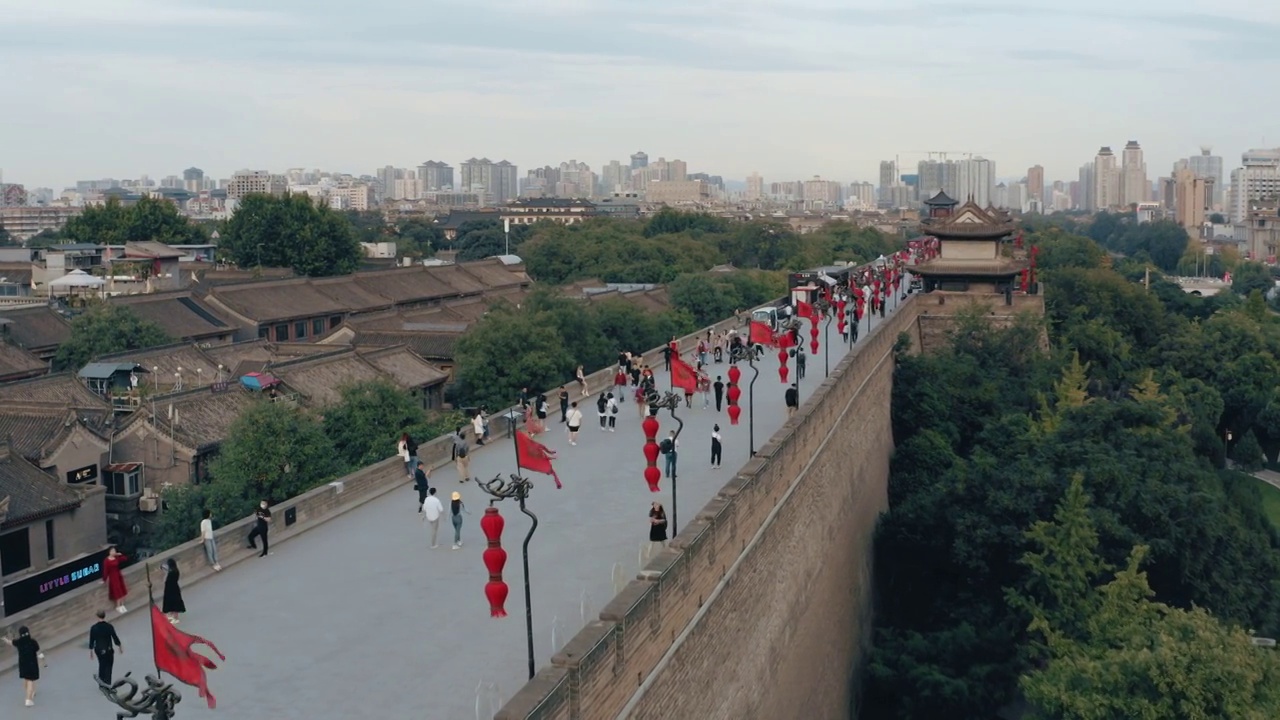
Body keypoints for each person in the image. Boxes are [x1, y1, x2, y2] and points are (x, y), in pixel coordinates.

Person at [3, 627, 43, 706]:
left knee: (26, 679)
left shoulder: (19, 642)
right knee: (30, 680)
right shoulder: (33, 642)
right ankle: (28, 699)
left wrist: (5, 639)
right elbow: (39, 652)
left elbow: (11, 642)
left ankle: (32, 692)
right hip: (32, 664)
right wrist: (42, 660)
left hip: (23, 664)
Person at [88, 610, 123, 685]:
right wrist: (119, 646)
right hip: (108, 648)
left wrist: (91, 652)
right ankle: (108, 682)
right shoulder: (109, 626)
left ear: (97, 617)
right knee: (109, 666)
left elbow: (92, 640)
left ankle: (101, 681)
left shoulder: (94, 628)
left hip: (99, 649)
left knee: (101, 664)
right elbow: (114, 637)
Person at [103, 546, 128, 613]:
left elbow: (125, 559)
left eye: (114, 551)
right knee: (117, 591)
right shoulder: (107, 560)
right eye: (112, 551)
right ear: (109, 552)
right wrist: (104, 580)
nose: (114, 552)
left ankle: (122, 605)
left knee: (121, 590)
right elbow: (106, 571)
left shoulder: (116, 558)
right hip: (113, 577)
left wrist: (120, 555)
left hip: (118, 575)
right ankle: (118, 606)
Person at [162, 558, 185, 624]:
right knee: (172, 603)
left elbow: (169, 580)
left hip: (172, 589)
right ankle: (172, 615)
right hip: (172, 589)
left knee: (175, 603)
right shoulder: (175, 571)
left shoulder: (172, 572)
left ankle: (176, 618)